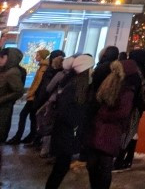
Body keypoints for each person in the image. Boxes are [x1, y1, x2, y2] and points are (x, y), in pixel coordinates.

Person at [87, 59, 140, 189]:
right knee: (92, 164)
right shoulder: (110, 83)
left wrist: (103, 115)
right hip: (99, 128)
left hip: (111, 130)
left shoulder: (127, 91)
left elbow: (123, 112)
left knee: (104, 165)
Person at [46, 54, 95, 189]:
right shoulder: (74, 87)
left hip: (67, 132)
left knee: (61, 166)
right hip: (66, 132)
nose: (93, 71)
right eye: (91, 68)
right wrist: (76, 124)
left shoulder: (78, 85)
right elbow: (65, 111)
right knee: (60, 167)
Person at [8, 48, 50, 144]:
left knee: (24, 115)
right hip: (34, 96)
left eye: (38, 55)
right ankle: (30, 136)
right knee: (31, 116)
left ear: (42, 56)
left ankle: (20, 136)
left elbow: (37, 84)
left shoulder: (43, 68)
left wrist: (29, 94)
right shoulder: (42, 67)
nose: (36, 57)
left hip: (34, 97)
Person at [0, 47, 26, 157]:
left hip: (3, 108)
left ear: (8, 58)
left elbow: (19, 91)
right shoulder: (6, 70)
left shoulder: (12, 72)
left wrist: (2, 100)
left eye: (1, 58)